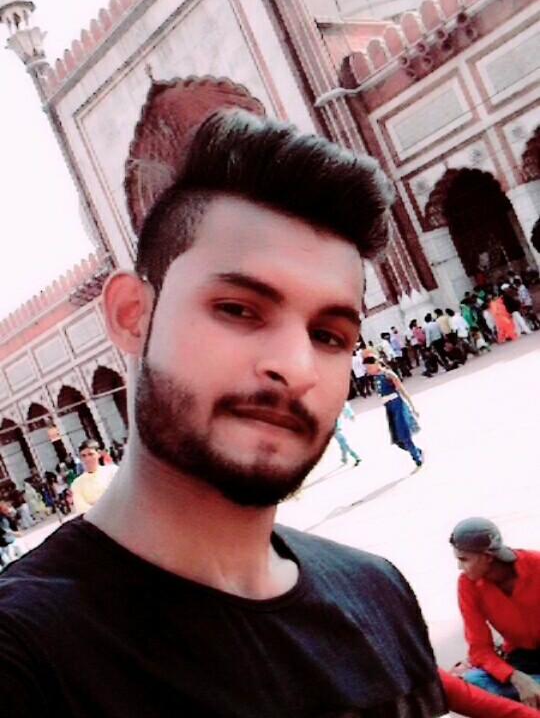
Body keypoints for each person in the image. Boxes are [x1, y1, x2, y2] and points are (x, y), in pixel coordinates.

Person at [0, 77, 447, 716]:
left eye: (328, 335)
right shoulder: (30, 658)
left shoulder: (379, 595)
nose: (294, 367)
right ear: (132, 314)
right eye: (238, 309)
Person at [450, 517, 540, 707]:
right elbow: (479, 649)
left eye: (464, 559)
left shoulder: (536, 564)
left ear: (488, 557)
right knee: (471, 683)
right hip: (521, 661)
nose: (460, 567)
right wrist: (517, 678)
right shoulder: (467, 585)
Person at [363, 350, 424, 469]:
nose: (367, 370)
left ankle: (416, 457)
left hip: (398, 405)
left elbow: (402, 390)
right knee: (397, 440)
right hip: (389, 408)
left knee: (404, 434)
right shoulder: (375, 378)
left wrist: (413, 407)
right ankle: (417, 450)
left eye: (368, 367)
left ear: (376, 364)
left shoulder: (388, 374)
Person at [70, 439, 118, 514]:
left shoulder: (113, 471)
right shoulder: (77, 484)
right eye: (83, 456)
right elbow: (82, 509)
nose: (87, 459)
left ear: (98, 454)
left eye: (91, 454)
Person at [333, 402, 361, 466]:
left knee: (343, 443)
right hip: (336, 428)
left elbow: (346, 407)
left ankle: (349, 457)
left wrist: (351, 415)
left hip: (338, 428)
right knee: (343, 442)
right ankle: (350, 457)